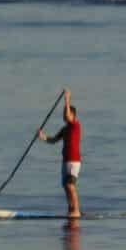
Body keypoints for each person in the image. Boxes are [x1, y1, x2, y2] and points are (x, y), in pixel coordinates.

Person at [36, 88, 82, 217]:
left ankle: (76, 210)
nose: (64, 115)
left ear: (73, 116)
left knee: (70, 185)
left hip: (74, 161)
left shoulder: (75, 125)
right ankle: (71, 209)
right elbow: (54, 140)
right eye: (63, 112)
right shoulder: (65, 129)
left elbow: (68, 115)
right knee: (66, 187)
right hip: (65, 162)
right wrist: (43, 137)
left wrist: (67, 99)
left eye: (66, 112)